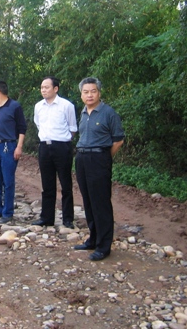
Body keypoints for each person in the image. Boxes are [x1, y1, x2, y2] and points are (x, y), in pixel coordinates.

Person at [73, 77, 125, 261]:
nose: (89, 95)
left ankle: (104, 246)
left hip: (99, 158)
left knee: (100, 202)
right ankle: (93, 239)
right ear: (81, 94)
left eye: (93, 91)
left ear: (99, 92)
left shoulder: (108, 112)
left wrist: (104, 157)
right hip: (82, 158)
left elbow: (118, 140)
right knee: (88, 201)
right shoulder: (83, 112)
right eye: (86, 92)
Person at [31, 76, 78, 229]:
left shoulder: (66, 105)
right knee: (47, 184)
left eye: (46, 87)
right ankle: (47, 217)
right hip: (44, 147)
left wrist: (63, 140)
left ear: (55, 89)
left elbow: (72, 128)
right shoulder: (38, 106)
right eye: (42, 87)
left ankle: (68, 219)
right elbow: (38, 124)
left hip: (62, 147)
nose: (43, 90)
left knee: (66, 184)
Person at [0, 80, 27, 225]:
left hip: (8, 146)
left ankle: (7, 212)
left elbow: (22, 128)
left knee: (8, 181)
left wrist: (19, 146)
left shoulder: (14, 106)